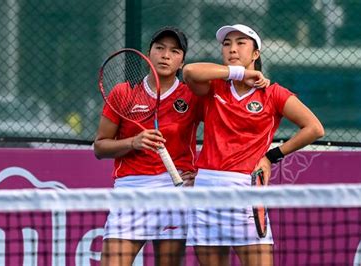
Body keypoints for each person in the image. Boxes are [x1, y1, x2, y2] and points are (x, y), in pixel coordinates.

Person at [183, 24, 324, 266]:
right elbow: (189, 71)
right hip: (206, 189)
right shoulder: (214, 87)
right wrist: (237, 73)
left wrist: (271, 156)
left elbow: (314, 128)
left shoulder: (273, 93)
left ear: (255, 54)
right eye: (227, 44)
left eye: (240, 43)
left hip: (245, 190)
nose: (232, 49)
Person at [94, 26, 202, 266]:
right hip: (132, 190)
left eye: (174, 51)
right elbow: (100, 147)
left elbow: (222, 132)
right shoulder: (124, 93)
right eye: (160, 48)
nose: (166, 55)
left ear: (182, 61)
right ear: (149, 53)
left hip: (175, 191)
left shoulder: (192, 95)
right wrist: (134, 142)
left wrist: (201, 174)